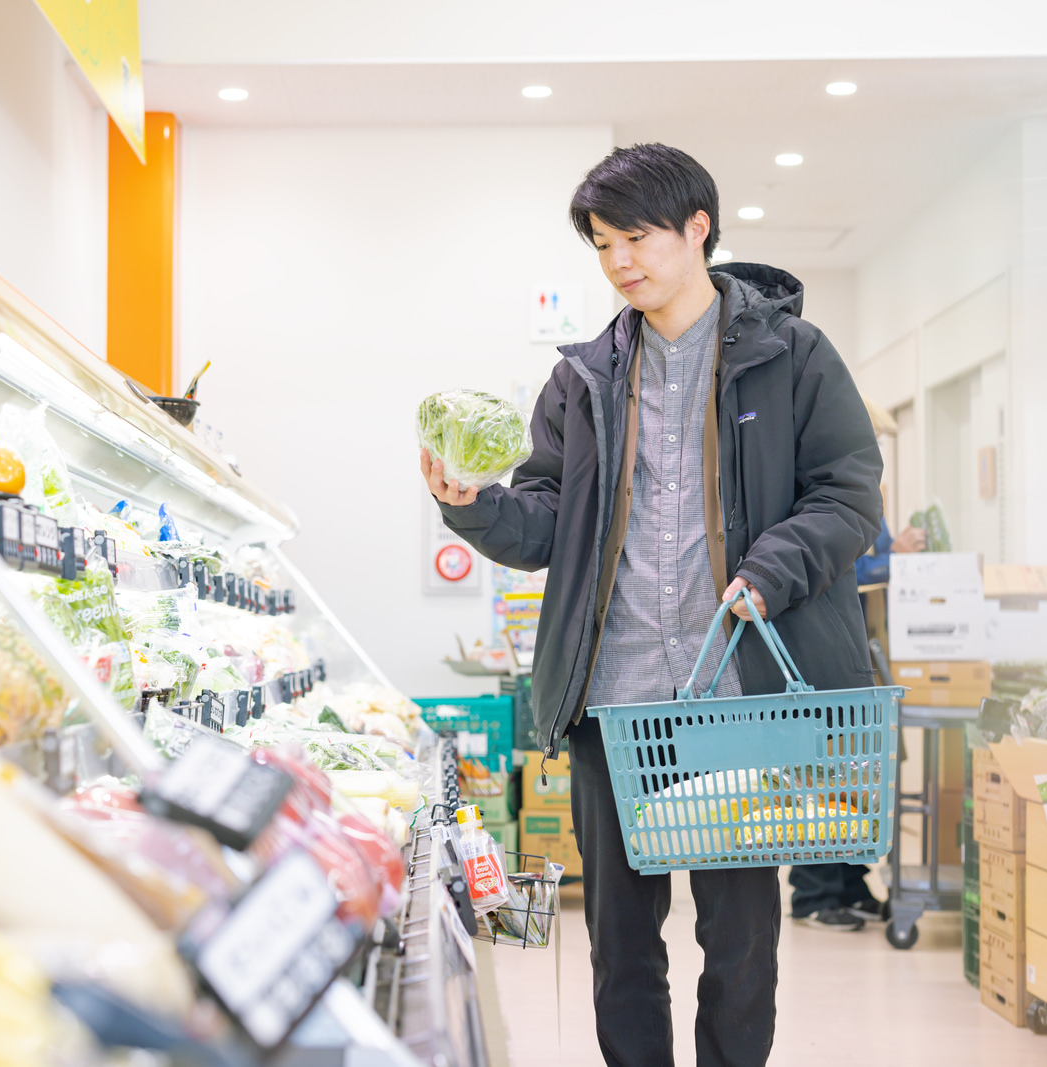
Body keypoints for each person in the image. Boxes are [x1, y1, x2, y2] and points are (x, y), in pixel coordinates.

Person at [421, 143, 882, 1067]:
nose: (620, 260)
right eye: (602, 243)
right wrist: (471, 504)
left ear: (697, 228)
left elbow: (848, 493)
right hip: (613, 701)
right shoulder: (584, 377)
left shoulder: (793, 356)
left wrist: (772, 566)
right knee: (620, 945)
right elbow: (546, 520)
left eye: (636, 236)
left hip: (735, 700)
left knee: (740, 943)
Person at [787, 402, 925, 930]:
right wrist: (894, 558)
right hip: (822, 648)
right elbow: (840, 564)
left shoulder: (862, 485)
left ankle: (850, 881)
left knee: (856, 774)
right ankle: (814, 892)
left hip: (856, 650)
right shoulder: (815, 485)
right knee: (821, 773)